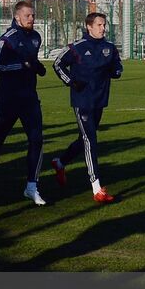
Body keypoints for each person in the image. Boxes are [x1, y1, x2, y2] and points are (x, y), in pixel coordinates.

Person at [0, 0, 48, 206]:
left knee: (36, 140)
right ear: (17, 17)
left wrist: (37, 67)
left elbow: (32, 63)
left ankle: (31, 186)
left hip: (29, 98)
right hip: (8, 99)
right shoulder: (7, 39)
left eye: (33, 15)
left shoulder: (36, 37)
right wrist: (21, 65)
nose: (31, 19)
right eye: (28, 15)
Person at [50, 12, 124, 203]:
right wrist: (71, 82)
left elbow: (117, 66)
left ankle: (60, 162)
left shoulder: (109, 48)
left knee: (84, 139)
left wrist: (116, 71)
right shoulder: (77, 48)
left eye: (104, 25)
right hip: (81, 101)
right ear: (89, 27)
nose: (103, 28)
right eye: (99, 25)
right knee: (90, 139)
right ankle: (97, 188)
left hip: (99, 100)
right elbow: (57, 64)